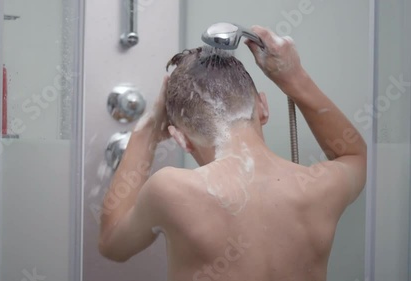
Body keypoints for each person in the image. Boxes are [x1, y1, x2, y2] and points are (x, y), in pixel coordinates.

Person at [99, 25, 367, 281]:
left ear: (180, 139)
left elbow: (112, 243)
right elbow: (355, 155)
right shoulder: (320, 187)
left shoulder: (171, 191)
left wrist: (146, 131)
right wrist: (293, 78)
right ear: (263, 107)